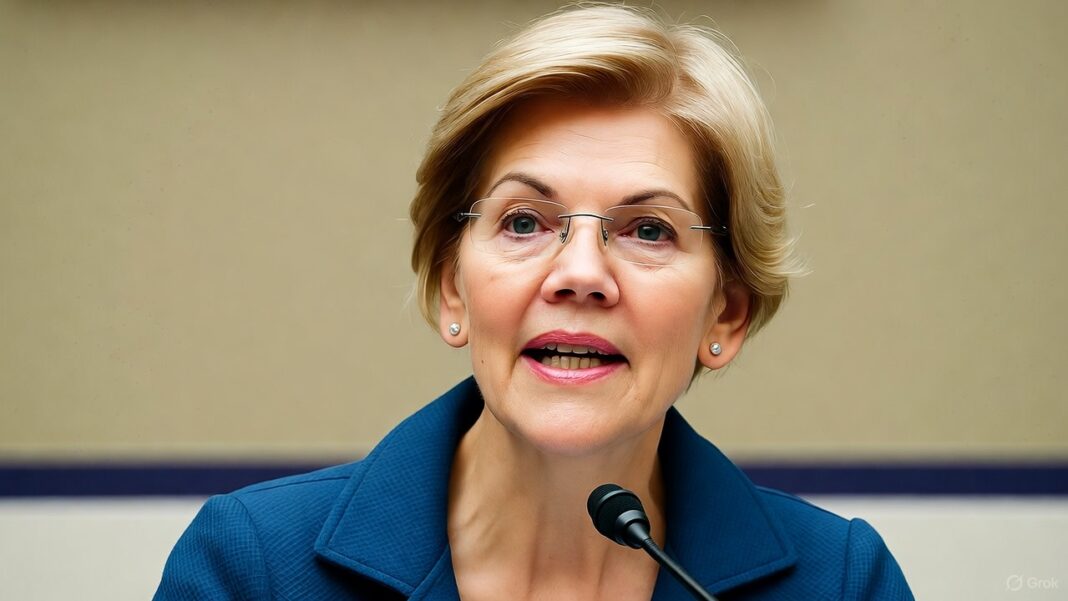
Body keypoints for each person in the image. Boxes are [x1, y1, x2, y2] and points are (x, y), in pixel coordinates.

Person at [155, 5, 913, 600]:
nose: (580, 274)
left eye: (648, 229)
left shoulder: (841, 583)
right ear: (451, 284)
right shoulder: (253, 567)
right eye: (525, 222)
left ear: (727, 313)